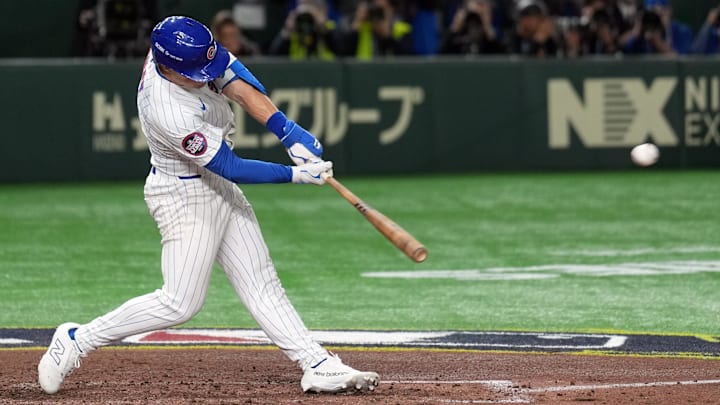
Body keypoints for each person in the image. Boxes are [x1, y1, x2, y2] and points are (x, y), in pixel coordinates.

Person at [37, 16, 379, 395]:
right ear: (167, 66)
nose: (206, 76)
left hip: (214, 185)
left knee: (261, 281)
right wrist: (296, 175)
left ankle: (315, 363)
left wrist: (286, 130)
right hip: (183, 195)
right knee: (180, 303)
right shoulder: (166, 108)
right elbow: (229, 167)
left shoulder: (189, 52)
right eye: (197, 72)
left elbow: (236, 79)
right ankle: (77, 338)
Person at [269, 0, 342, 60]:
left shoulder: (331, 27)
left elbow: (342, 52)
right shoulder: (295, 27)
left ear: (324, 9)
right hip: (297, 73)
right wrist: (287, 31)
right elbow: (274, 57)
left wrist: (324, 29)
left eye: (313, 6)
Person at [345, 0, 414, 59]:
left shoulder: (402, 28)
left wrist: (388, 37)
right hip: (362, 71)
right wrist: (356, 27)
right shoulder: (359, 25)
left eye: (379, 11)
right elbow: (343, 57)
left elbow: (406, 59)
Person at [621, 0, 693, 55]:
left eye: (661, 13)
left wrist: (658, 42)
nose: (657, 18)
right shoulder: (641, 31)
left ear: (669, 12)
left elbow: (683, 62)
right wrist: (636, 32)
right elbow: (625, 54)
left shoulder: (682, 31)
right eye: (654, 13)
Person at [440, 0, 506, 54]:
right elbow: (441, 55)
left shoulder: (496, 12)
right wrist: (455, 27)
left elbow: (503, 55)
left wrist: (487, 25)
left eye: (480, 4)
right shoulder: (453, 7)